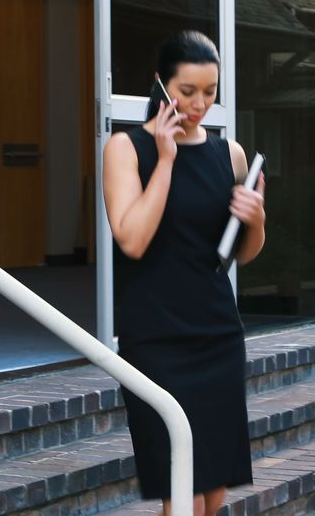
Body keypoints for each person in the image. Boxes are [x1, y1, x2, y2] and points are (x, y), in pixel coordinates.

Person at [102, 30, 266, 516]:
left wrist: (255, 220)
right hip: (156, 340)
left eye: (210, 92)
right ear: (162, 84)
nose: (199, 105)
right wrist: (167, 159)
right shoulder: (126, 149)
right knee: (185, 490)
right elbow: (132, 238)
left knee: (213, 493)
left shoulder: (229, 154)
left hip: (217, 333)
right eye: (187, 91)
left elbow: (243, 253)